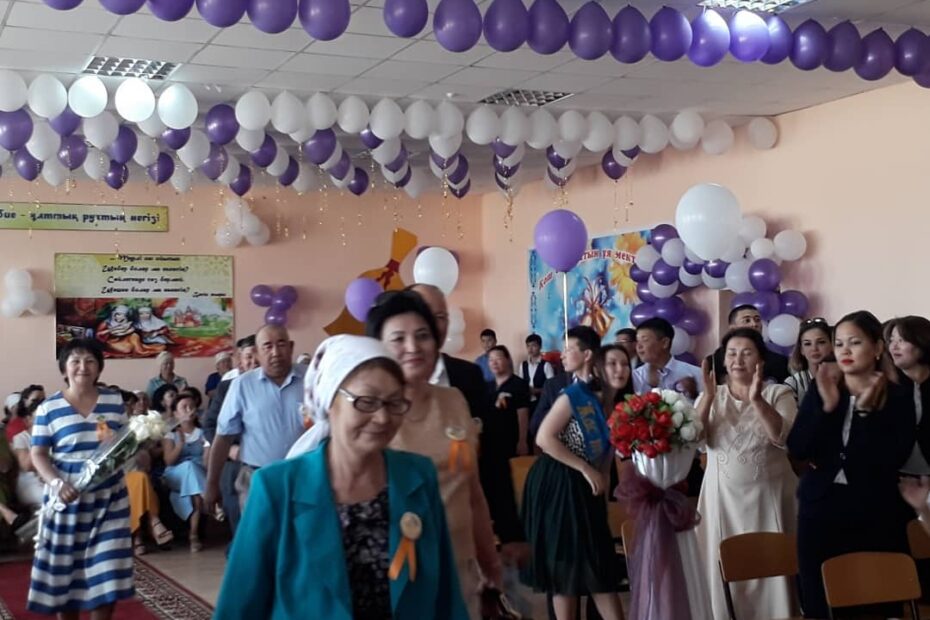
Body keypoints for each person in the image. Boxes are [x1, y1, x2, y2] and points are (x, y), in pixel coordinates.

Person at [216, 335, 468, 619]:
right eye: (366, 402)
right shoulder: (277, 487)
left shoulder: (418, 477)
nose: (383, 418)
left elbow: (446, 594)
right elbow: (239, 606)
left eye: (394, 402)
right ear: (330, 402)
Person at [360, 290, 503, 616]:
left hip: (460, 572)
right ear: (379, 348)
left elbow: (472, 491)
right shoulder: (369, 415)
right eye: (399, 338)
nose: (413, 347)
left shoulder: (454, 400)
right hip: (398, 577)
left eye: (422, 335)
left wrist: (490, 563)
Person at [787, 311, 915, 619]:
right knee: (820, 601)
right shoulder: (822, 387)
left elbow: (893, 458)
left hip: (876, 509)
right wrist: (827, 407)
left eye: (855, 342)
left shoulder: (899, 395)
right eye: (839, 343)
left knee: (875, 602)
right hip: (820, 508)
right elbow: (798, 448)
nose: (844, 350)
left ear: (877, 348)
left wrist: (865, 415)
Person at [408, 284, 525, 551]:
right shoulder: (385, 381)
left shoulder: (467, 376)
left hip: (461, 526)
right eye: (422, 313)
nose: (431, 324)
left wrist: (510, 532)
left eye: (440, 316)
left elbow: (492, 456)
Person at [695, 328, 799, 620]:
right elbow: (696, 440)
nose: (738, 360)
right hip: (722, 500)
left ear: (760, 361)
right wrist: (708, 397)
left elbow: (782, 437)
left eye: (746, 353)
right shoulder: (711, 397)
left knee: (772, 568)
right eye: (731, 353)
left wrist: (757, 400)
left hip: (770, 498)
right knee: (724, 569)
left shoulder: (779, 393)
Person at [522, 326, 624, 620]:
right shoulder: (573, 395)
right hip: (558, 484)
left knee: (597, 565)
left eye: (569, 349)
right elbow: (544, 438)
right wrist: (585, 469)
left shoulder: (607, 400)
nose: (563, 354)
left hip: (586, 486)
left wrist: (601, 487)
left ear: (587, 355)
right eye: (613, 363)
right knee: (564, 566)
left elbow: (605, 455)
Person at [27, 338, 134, 617]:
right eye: (75, 361)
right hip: (67, 500)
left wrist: (138, 448)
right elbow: (38, 454)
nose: (82, 367)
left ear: (99, 367)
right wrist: (57, 483)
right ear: (64, 368)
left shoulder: (113, 401)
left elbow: (125, 443)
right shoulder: (48, 408)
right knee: (67, 572)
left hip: (109, 499)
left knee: (108, 568)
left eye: (90, 361)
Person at [206, 325, 306, 516]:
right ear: (258, 353)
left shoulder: (311, 379)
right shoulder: (242, 386)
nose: (275, 352)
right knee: (259, 533)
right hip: (257, 479)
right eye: (267, 346)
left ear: (291, 347)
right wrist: (212, 483)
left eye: (281, 344)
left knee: (302, 532)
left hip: (304, 477)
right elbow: (223, 437)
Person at [203, 334, 258, 537]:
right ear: (240, 362)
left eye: (258, 355)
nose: (254, 362)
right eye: (249, 357)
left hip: (269, 463)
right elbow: (209, 426)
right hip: (235, 462)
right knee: (240, 527)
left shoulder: (278, 386)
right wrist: (231, 449)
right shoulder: (226, 388)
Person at [162, 391, 210, 552]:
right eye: (184, 407)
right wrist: (180, 444)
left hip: (198, 473)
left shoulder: (204, 433)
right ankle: (210, 500)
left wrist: (207, 447)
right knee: (189, 466)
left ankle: (193, 535)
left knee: (194, 490)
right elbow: (168, 461)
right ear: (176, 413)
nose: (189, 410)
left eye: (192, 406)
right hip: (175, 474)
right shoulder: (171, 434)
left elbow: (206, 462)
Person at [886, 316, 930, 476]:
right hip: (894, 474)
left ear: (922, 342)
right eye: (891, 340)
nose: (894, 347)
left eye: (902, 340)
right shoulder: (885, 385)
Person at [709, 305, 791, 384]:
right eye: (747, 320)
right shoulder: (714, 361)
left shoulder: (779, 362)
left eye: (757, 320)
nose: (754, 324)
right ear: (733, 328)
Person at [632, 318, 703, 398]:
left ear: (665, 343)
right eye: (637, 341)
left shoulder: (696, 374)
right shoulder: (635, 377)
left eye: (645, 340)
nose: (638, 346)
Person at [487, 345, 531, 458]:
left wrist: (522, 441)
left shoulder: (519, 384)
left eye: (498, 359)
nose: (494, 363)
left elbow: (523, 414)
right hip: (491, 440)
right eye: (491, 360)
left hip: (511, 439)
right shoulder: (487, 386)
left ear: (508, 360)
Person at [785, 318, 833, 405]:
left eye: (821, 342)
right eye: (807, 344)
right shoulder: (793, 383)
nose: (814, 348)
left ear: (832, 345)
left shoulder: (846, 379)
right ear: (801, 350)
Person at [11, 401, 44, 508]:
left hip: (51, 478)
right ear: (28, 420)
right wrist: (39, 436)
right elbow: (26, 466)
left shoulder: (54, 435)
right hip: (30, 482)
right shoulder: (20, 438)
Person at [517, 333, 555, 406]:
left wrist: (537, 391)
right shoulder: (523, 365)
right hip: (526, 402)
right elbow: (520, 384)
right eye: (528, 346)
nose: (530, 349)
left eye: (533, 345)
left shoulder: (546, 365)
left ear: (540, 347)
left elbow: (552, 387)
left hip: (542, 402)